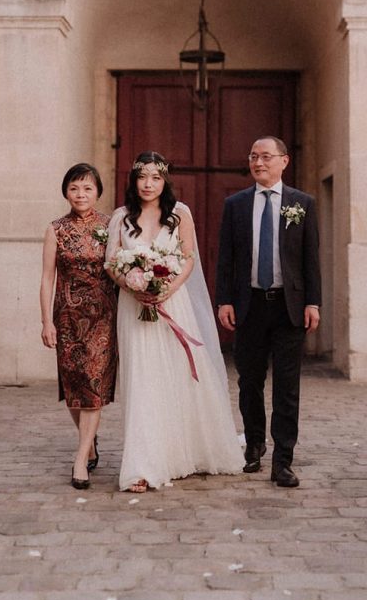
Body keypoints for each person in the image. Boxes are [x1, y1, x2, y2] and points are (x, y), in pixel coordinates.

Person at [106, 151, 244, 493]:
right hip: (134, 306)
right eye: (142, 177)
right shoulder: (121, 217)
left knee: (177, 375)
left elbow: (188, 257)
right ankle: (143, 464)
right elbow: (111, 262)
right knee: (141, 379)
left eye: (155, 177)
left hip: (173, 302)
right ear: (133, 180)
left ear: (165, 180)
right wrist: (133, 285)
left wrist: (166, 288)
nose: (148, 184)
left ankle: (182, 451)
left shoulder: (179, 214)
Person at [216, 136, 321, 488]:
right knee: (249, 381)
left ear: (284, 161)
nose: (258, 162)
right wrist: (225, 300)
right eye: (253, 156)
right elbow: (226, 258)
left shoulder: (302, 204)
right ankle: (255, 444)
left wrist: (313, 302)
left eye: (265, 157)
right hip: (249, 305)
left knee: (288, 387)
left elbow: (311, 260)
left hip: (288, 306)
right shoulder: (236, 205)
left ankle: (283, 460)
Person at [40, 163, 117, 489]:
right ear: (66, 192)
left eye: (87, 188)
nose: (81, 194)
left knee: (94, 386)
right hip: (67, 318)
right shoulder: (56, 229)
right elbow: (47, 278)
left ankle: (80, 458)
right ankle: (91, 441)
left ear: (97, 191)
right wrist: (46, 321)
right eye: (74, 188)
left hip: (103, 316)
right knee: (75, 388)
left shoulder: (111, 225)